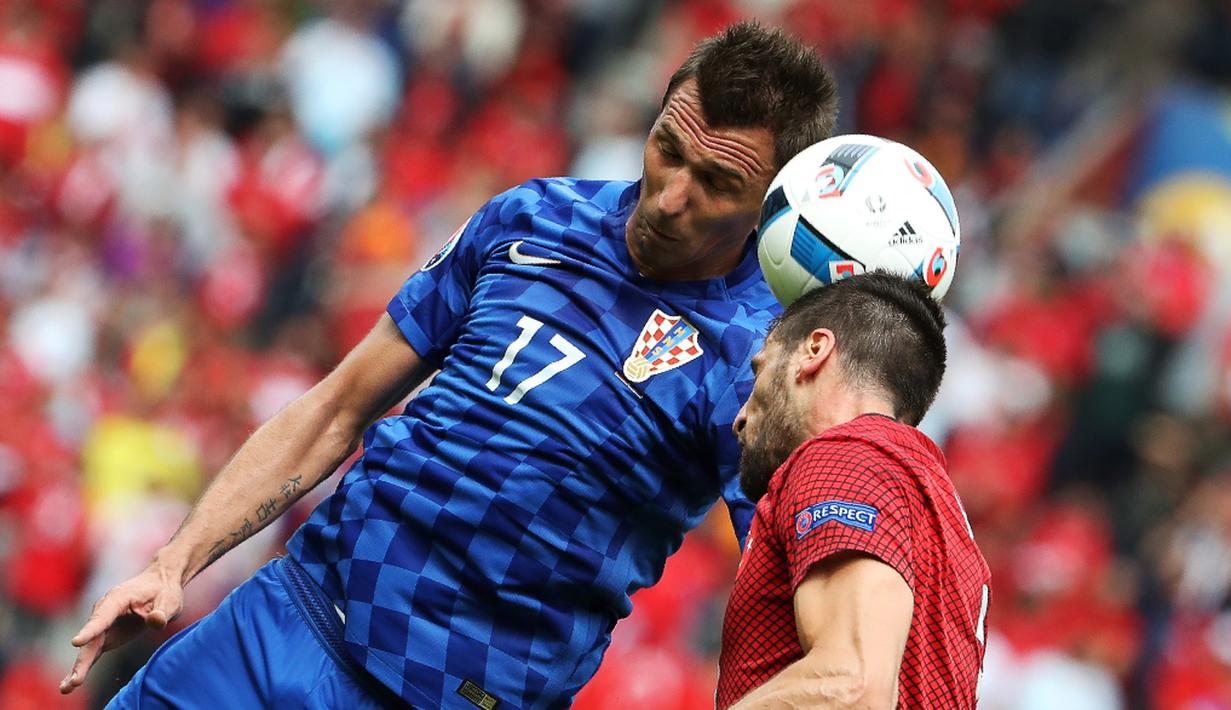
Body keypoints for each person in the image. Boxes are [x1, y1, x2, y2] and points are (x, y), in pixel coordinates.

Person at [60, 21, 839, 709]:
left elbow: (804, 609)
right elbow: (338, 407)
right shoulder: (531, 218)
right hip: (284, 618)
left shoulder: (761, 356)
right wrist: (175, 564)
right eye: (668, 149)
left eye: (716, 183)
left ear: (774, 203)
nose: (670, 197)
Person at [716, 272, 991, 709]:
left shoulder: (842, 457)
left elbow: (850, 687)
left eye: (760, 371)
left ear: (814, 351)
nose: (740, 417)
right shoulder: (935, 504)